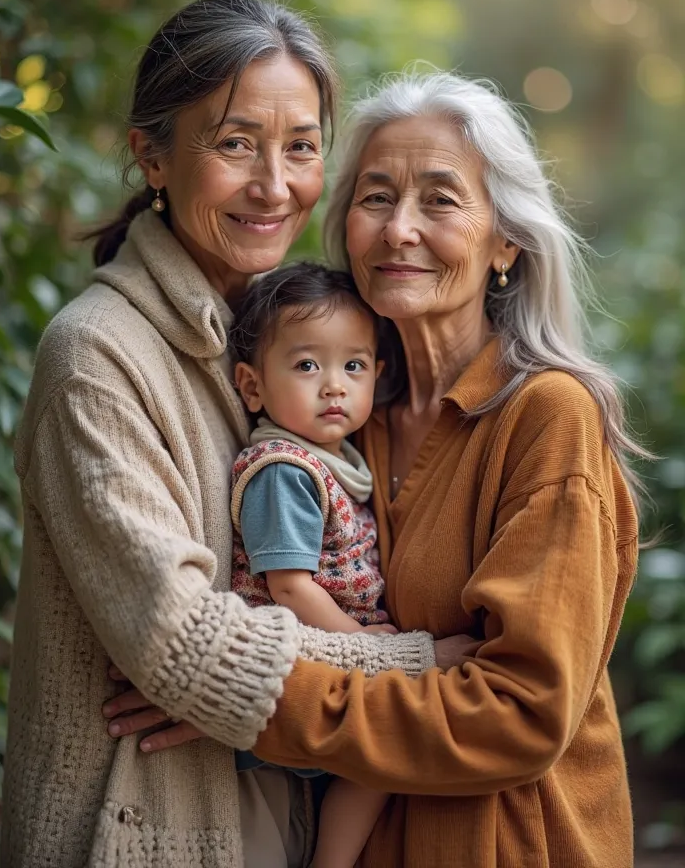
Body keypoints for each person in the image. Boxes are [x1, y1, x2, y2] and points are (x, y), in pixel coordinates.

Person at [114, 71, 643, 868]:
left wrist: (264, 702)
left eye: (440, 199)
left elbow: (520, 713)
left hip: (508, 845)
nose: (399, 230)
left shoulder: (546, 417)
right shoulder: (350, 421)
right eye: (374, 197)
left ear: (507, 241)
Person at [1, 0, 448, 868]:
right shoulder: (96, 357)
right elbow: (186, 647)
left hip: (278, 808)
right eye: (235, 143)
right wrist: (420, 662)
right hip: (134, 827)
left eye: (302, 147)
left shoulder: (307, 345)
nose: (275, 186)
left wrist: (256, 686)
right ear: (152, 156)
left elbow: (227, 654)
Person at [228, 262, 394, 868]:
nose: (333, 386)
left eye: (353, 366)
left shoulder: (336, 459)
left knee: (379, 762)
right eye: (306, 365)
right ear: (252, 386)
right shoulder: (284, 471)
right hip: (290, 668)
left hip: (326, 660)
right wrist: (368, 650)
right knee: (385, 752)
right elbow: (291, 587)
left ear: (376, 374)